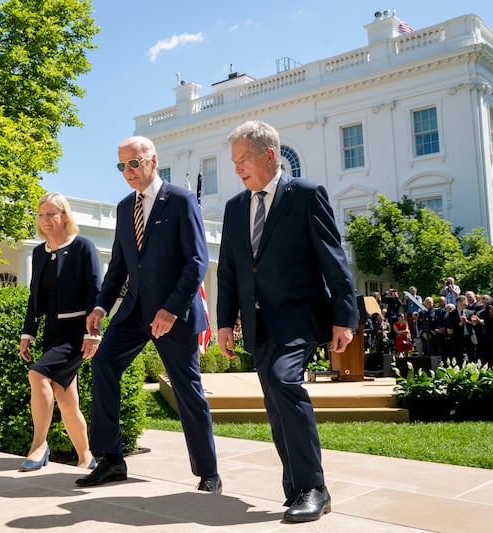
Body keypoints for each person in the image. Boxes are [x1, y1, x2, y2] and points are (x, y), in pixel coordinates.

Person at [216, 120, 357, 524]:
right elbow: (228, 268)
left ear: (269, 155)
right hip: (259, 324)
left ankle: (315, 488)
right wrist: (225, 321)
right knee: (275, 404)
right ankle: (297, 489)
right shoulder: (235, 206)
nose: (238, 168)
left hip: (299, 316)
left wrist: (344, 317)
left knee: (283, 381)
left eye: (243, 160)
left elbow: (333, 258)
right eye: (234, 162)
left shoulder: (307, 195)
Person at [77, 136, 221, 494]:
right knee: (104, 364)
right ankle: (111, 460)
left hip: (174, 314)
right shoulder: (125, 207)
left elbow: (196, 261)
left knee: (187, 389)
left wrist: (172, 309)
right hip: (134, 313)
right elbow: (120, 265)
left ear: (153, 161)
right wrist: (100, 305)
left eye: (134, 163)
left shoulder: (182, 200)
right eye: (122, 166)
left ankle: (209, 474)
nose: (128, 172)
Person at [18, 193, 100, 472]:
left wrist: (93, 333)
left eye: (51, 214)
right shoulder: (39, 252)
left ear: (64, 216)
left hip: (77, 332)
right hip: (52, 331)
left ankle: (39, 445)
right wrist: (28, 333)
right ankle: (86, 456)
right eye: (41, 215)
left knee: (37, 374)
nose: (45, 220)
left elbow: (95, 292)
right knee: (66, 399)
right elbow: (34, 296)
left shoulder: (82, 247)